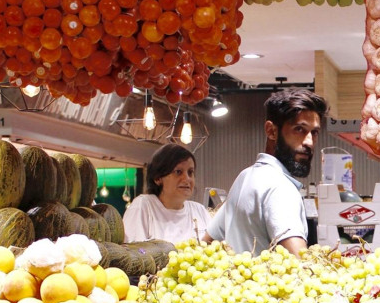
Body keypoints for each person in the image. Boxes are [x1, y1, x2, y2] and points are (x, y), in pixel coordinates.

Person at [205, 89, 327, 255]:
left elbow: (206, 242)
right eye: (299, 129)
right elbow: (301, 263)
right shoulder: (280, 188)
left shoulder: (243, 178)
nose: (309, 142)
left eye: (314, 132)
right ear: (271, 131)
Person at [122, 143, 212, 244]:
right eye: (178, 172)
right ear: (158, 178)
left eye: (190, 172)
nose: (187, 179)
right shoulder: (143, 206)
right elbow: (134, 252)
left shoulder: (199, 210)